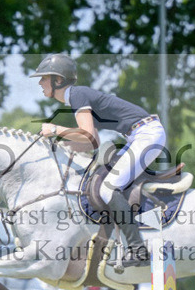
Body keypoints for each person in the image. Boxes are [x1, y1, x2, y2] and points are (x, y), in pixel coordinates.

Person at [32, 53, 167, 267]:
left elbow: (86, 134)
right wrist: (59, 146)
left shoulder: (77, 95)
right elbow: (92, 141)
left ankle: (137, 249)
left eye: (44, 78)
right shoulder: (77, 97)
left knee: (108, 188)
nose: (40, 82)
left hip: (146, 134)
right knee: (105, 180)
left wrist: (56, 129)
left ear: (58, 80)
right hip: (139, 135)